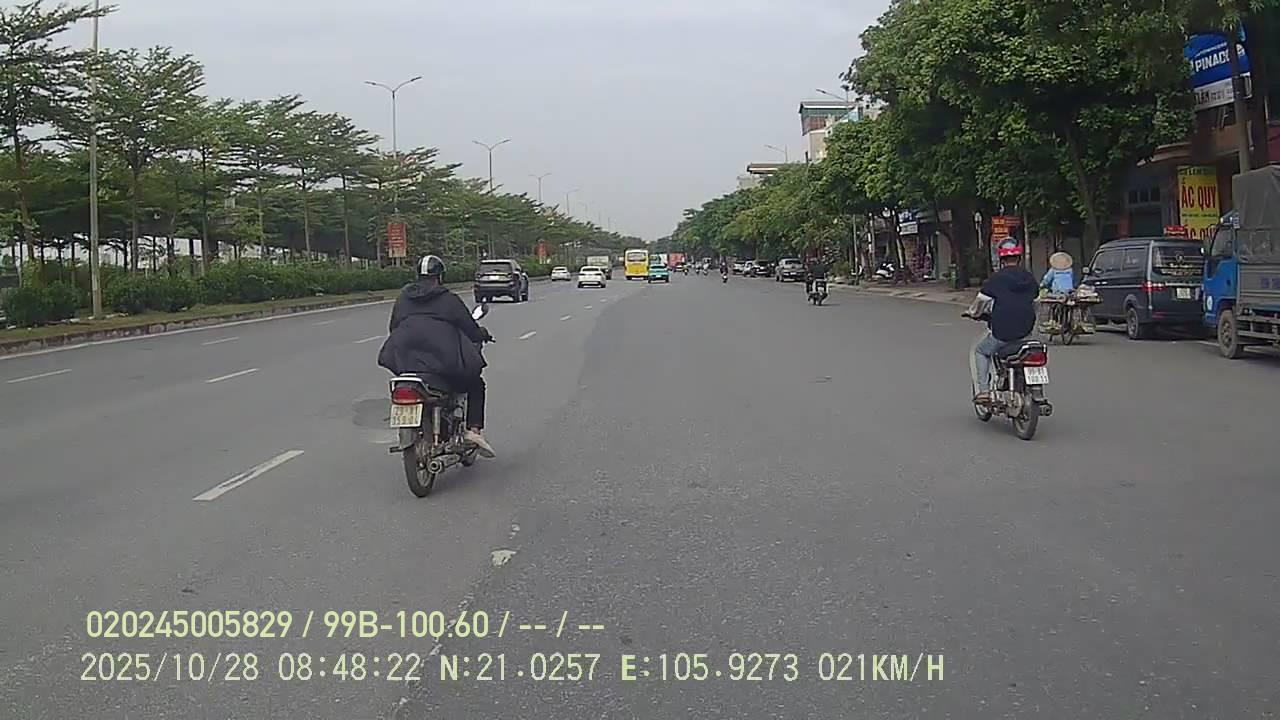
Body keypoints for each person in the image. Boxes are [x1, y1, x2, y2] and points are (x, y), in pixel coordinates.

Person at [377, 254, 496, 458]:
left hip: (406, 366)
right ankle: (474, 431)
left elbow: (393, 327)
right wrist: (482, 334)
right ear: (440, 276)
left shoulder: (403, 298)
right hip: (442, 367)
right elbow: (470, 329)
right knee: (476, 384)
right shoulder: (448, 299)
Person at [970, 239, 1039, 404]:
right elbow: (1036, 302)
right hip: (1026, 330)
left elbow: (981, 301)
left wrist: (973, 313)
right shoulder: (1029, 278)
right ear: (1019, 258)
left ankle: (984, 392)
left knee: (980, 351)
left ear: (1001, 260)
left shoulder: (996, 279)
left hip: (1002, 331)